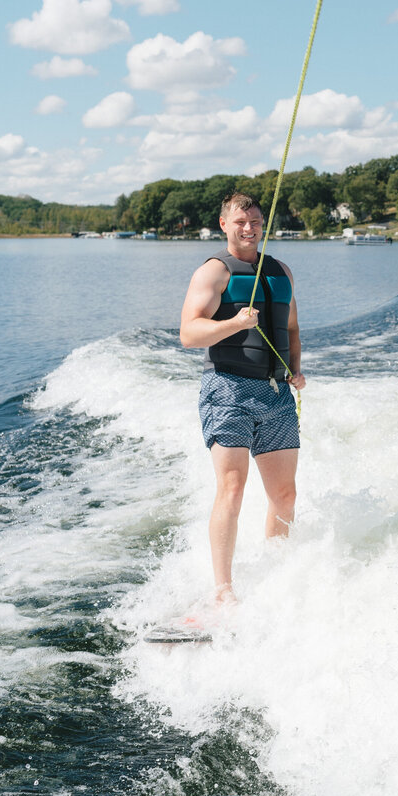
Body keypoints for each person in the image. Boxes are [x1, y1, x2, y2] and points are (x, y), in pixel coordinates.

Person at [180, 192, 306, 604]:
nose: (249, 229)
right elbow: (188, 333)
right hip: (228, 389)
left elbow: (290, 328)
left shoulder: (280, 271)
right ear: (224, 224)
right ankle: (222, 590)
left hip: (276, 394)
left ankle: (274, 572)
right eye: (240, 222)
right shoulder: (214, 273)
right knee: (232, 487)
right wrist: (234, 323)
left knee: (284, 495)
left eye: (255, 222)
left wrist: (295, 368)